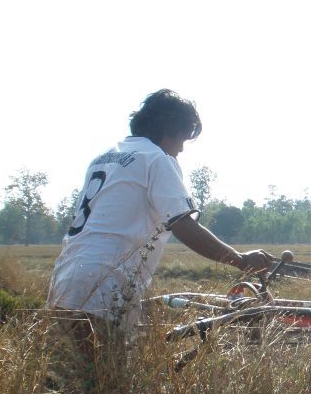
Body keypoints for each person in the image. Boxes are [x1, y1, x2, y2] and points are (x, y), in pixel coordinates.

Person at [47, 89, 277, 333]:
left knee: (72, 368)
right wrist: (241, 260)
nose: (181, 149)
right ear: (169, 130)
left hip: (66, 280)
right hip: (105, 286)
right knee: (105, 367)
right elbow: (184, 226)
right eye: (182, 139)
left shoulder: (103, 158)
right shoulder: (156, 159)